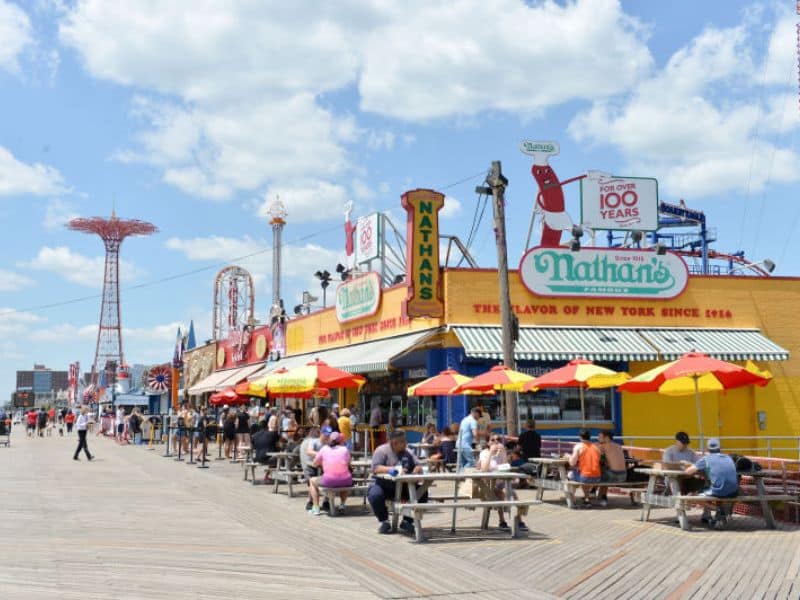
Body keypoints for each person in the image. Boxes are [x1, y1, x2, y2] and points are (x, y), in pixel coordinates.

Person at [367, 430, 428, 534]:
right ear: (394, 443)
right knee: (375, 494)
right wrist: (392, 469)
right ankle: (384, 521)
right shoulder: (381, 450)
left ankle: (407, 521)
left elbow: (418, 464)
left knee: (422, 492)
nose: (406, 444)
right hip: (384, 485)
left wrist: (417, 469)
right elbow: (375, 468)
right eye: (403, 442)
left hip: (404, 486)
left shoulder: (408, 452)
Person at [684, 438, 739, 527]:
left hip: (719, 491)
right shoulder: (728, 458)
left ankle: (718, 510)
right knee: (713, 487)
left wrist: (684, 465)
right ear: (720, 448)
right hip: (734, 491)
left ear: (707, 449)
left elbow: (688, 472)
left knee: (691, 496)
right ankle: (715, 516)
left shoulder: (706, 459)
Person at [478, 434, 528, 531]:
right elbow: (484, 470)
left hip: (500, 481)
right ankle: (502, 521)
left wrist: (504, 453)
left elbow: (506, 469)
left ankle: (519, 520)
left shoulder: (501, 453)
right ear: (488, 443)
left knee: (513, 494)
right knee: (501, 494)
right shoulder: (484, 453)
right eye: (493, 440)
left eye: (498, 439)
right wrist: (490, 454)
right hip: (487, 484)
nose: (496, 441)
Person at [308, 431, 353, 515]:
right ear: (340, 440)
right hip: (346, 480)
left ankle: (316, 508)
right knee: (344, 481)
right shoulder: (345, 449)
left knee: (312, 480)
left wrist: (324, 462)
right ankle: (342, 505)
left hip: (329, 480)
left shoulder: (324, 449)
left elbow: (314, 464)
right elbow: (349, 463)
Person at [565, 429, 601, 506]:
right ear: (589, 437)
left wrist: (568, 456)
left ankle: (572, 498)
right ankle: (586, 498)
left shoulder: (578, 446)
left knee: (571, 474)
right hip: (597, 477)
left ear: (580, 437)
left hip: (586, 477)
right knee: (583, 475)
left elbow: (572, 463)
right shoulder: (596, 447)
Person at [596, 430, 627, 507]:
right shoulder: (619, 446)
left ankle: (603, 498)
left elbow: (594, 452)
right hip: (624, 475)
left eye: (600, 437)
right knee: (605, 470)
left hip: (613, 476)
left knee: (599, 472)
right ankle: (597, 494)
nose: (598, 438)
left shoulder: (604, 446)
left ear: (606, 438)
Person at [300, 427, 324, 509]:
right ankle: (324, 502)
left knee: (311, 481)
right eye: (318, 432)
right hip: (313, 466)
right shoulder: (316, 442)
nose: (319, 433)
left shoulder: (304, 442)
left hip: (307, 467)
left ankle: (311, 502)